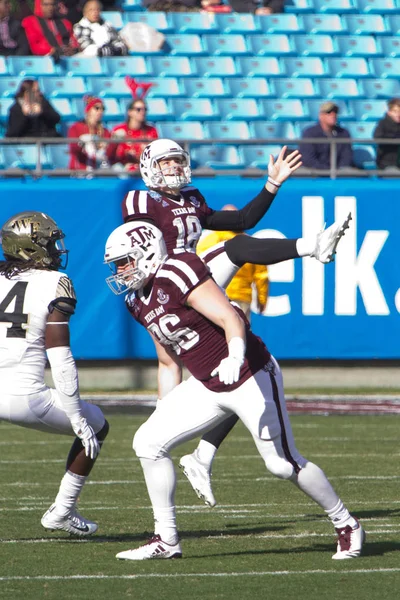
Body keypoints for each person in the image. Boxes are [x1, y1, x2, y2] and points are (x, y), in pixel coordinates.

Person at [103, 219, 364, 562]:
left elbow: (231, 317)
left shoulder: (178, 271)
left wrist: (236, 355)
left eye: (125, 261)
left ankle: (346, 523)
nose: (121, 271)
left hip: (248, 372)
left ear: (147, 253)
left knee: (282, 463)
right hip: (206, 384)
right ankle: (165, 540)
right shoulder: (136, 301)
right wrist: (163, 408)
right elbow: (168, 363)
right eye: (116, 264)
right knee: (148, 442)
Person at [121, 138, 352, 508]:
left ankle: (202, 457)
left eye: (179, 161)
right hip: (168, 280)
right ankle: (313, 246)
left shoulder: (192, 198)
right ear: (150, 167)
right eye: (167, 163)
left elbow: (242, 220)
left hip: (192, 277)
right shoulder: (140, 201)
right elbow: (136, 243)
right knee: (235, 251)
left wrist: (272, 184)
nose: (176, 168)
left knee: (237, 368)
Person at [0, 211, 109, 536]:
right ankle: (62, 510)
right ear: (30, 248)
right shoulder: (54, 283)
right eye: (50, 243)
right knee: (97, 426)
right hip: (24, 396)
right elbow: (60, 358)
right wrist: (76, 416)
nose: (58, 249)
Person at [196, 204, 269, 321]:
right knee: (242, 331)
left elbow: (199, 263)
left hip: (217, 294)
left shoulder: (210, 240)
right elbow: (261, 275)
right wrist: (262, 299)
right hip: (241, 296)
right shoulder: (250, 242)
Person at [299, 101, 354, 171]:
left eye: (335, 112)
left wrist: (337, 171)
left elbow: (346, 157)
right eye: (329, 112)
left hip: (338, 172)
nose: (333, 115)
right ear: (321, 116)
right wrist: (327, 171)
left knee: (355, 173)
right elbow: (308, 159)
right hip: (315, 171)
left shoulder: (344, 133)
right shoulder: (310, 133)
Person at [109, 97, 158, 173]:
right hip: (123, 168)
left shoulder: (151, 130)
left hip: (145, 168)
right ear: (130, 112)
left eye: (145, 109)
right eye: (138, 109)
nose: (142, 112)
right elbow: (112, 154)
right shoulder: (119, 130)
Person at [68, 95, 112, 170]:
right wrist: (83, 144)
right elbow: (73, 149)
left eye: (103, 109)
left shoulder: (105, 131)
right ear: (88, 110)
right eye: (97, 108)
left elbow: (109, 154)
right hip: (81, 168)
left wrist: (108, 145)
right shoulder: (76, 127)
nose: (100, 111)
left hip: (100, 168)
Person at [373, 97, 400, 171]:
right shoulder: (382, 123)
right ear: (389, 112)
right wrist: (394, 138)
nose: (398, 114)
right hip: (385, 164)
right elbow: (377, 138)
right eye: (395, 111)